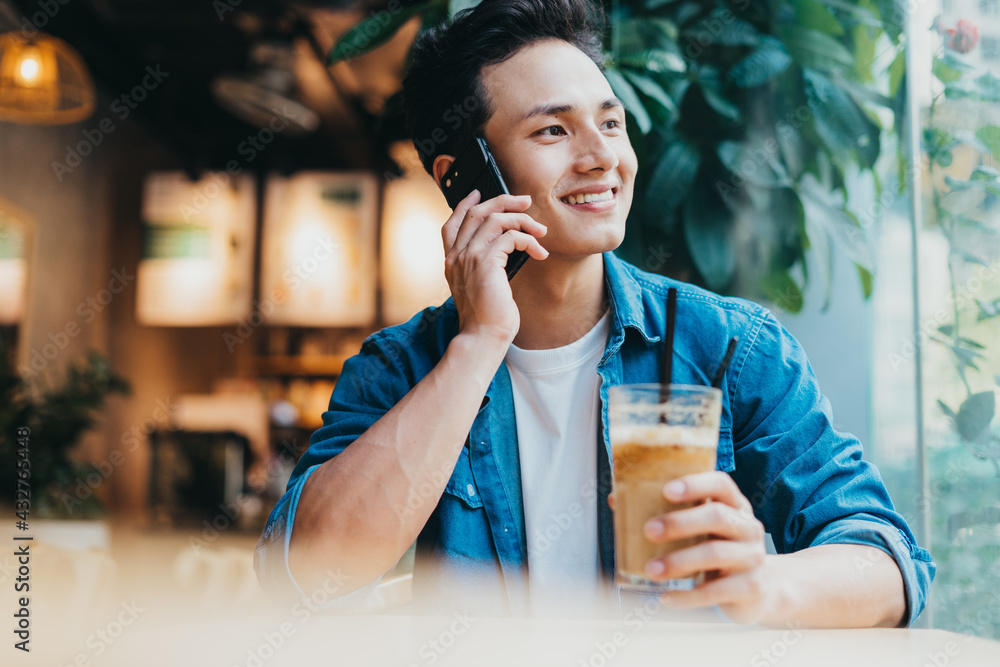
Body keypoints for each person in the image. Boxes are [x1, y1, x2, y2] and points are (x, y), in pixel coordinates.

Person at [255, 0, 934, 626]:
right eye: (554, 129)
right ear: (463, 175)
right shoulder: (401, 368)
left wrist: (763, 583)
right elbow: (303, 576)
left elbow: (890, 564)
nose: (603, 156)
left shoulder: (729, 348)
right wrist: (480, 342)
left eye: (611, 122)